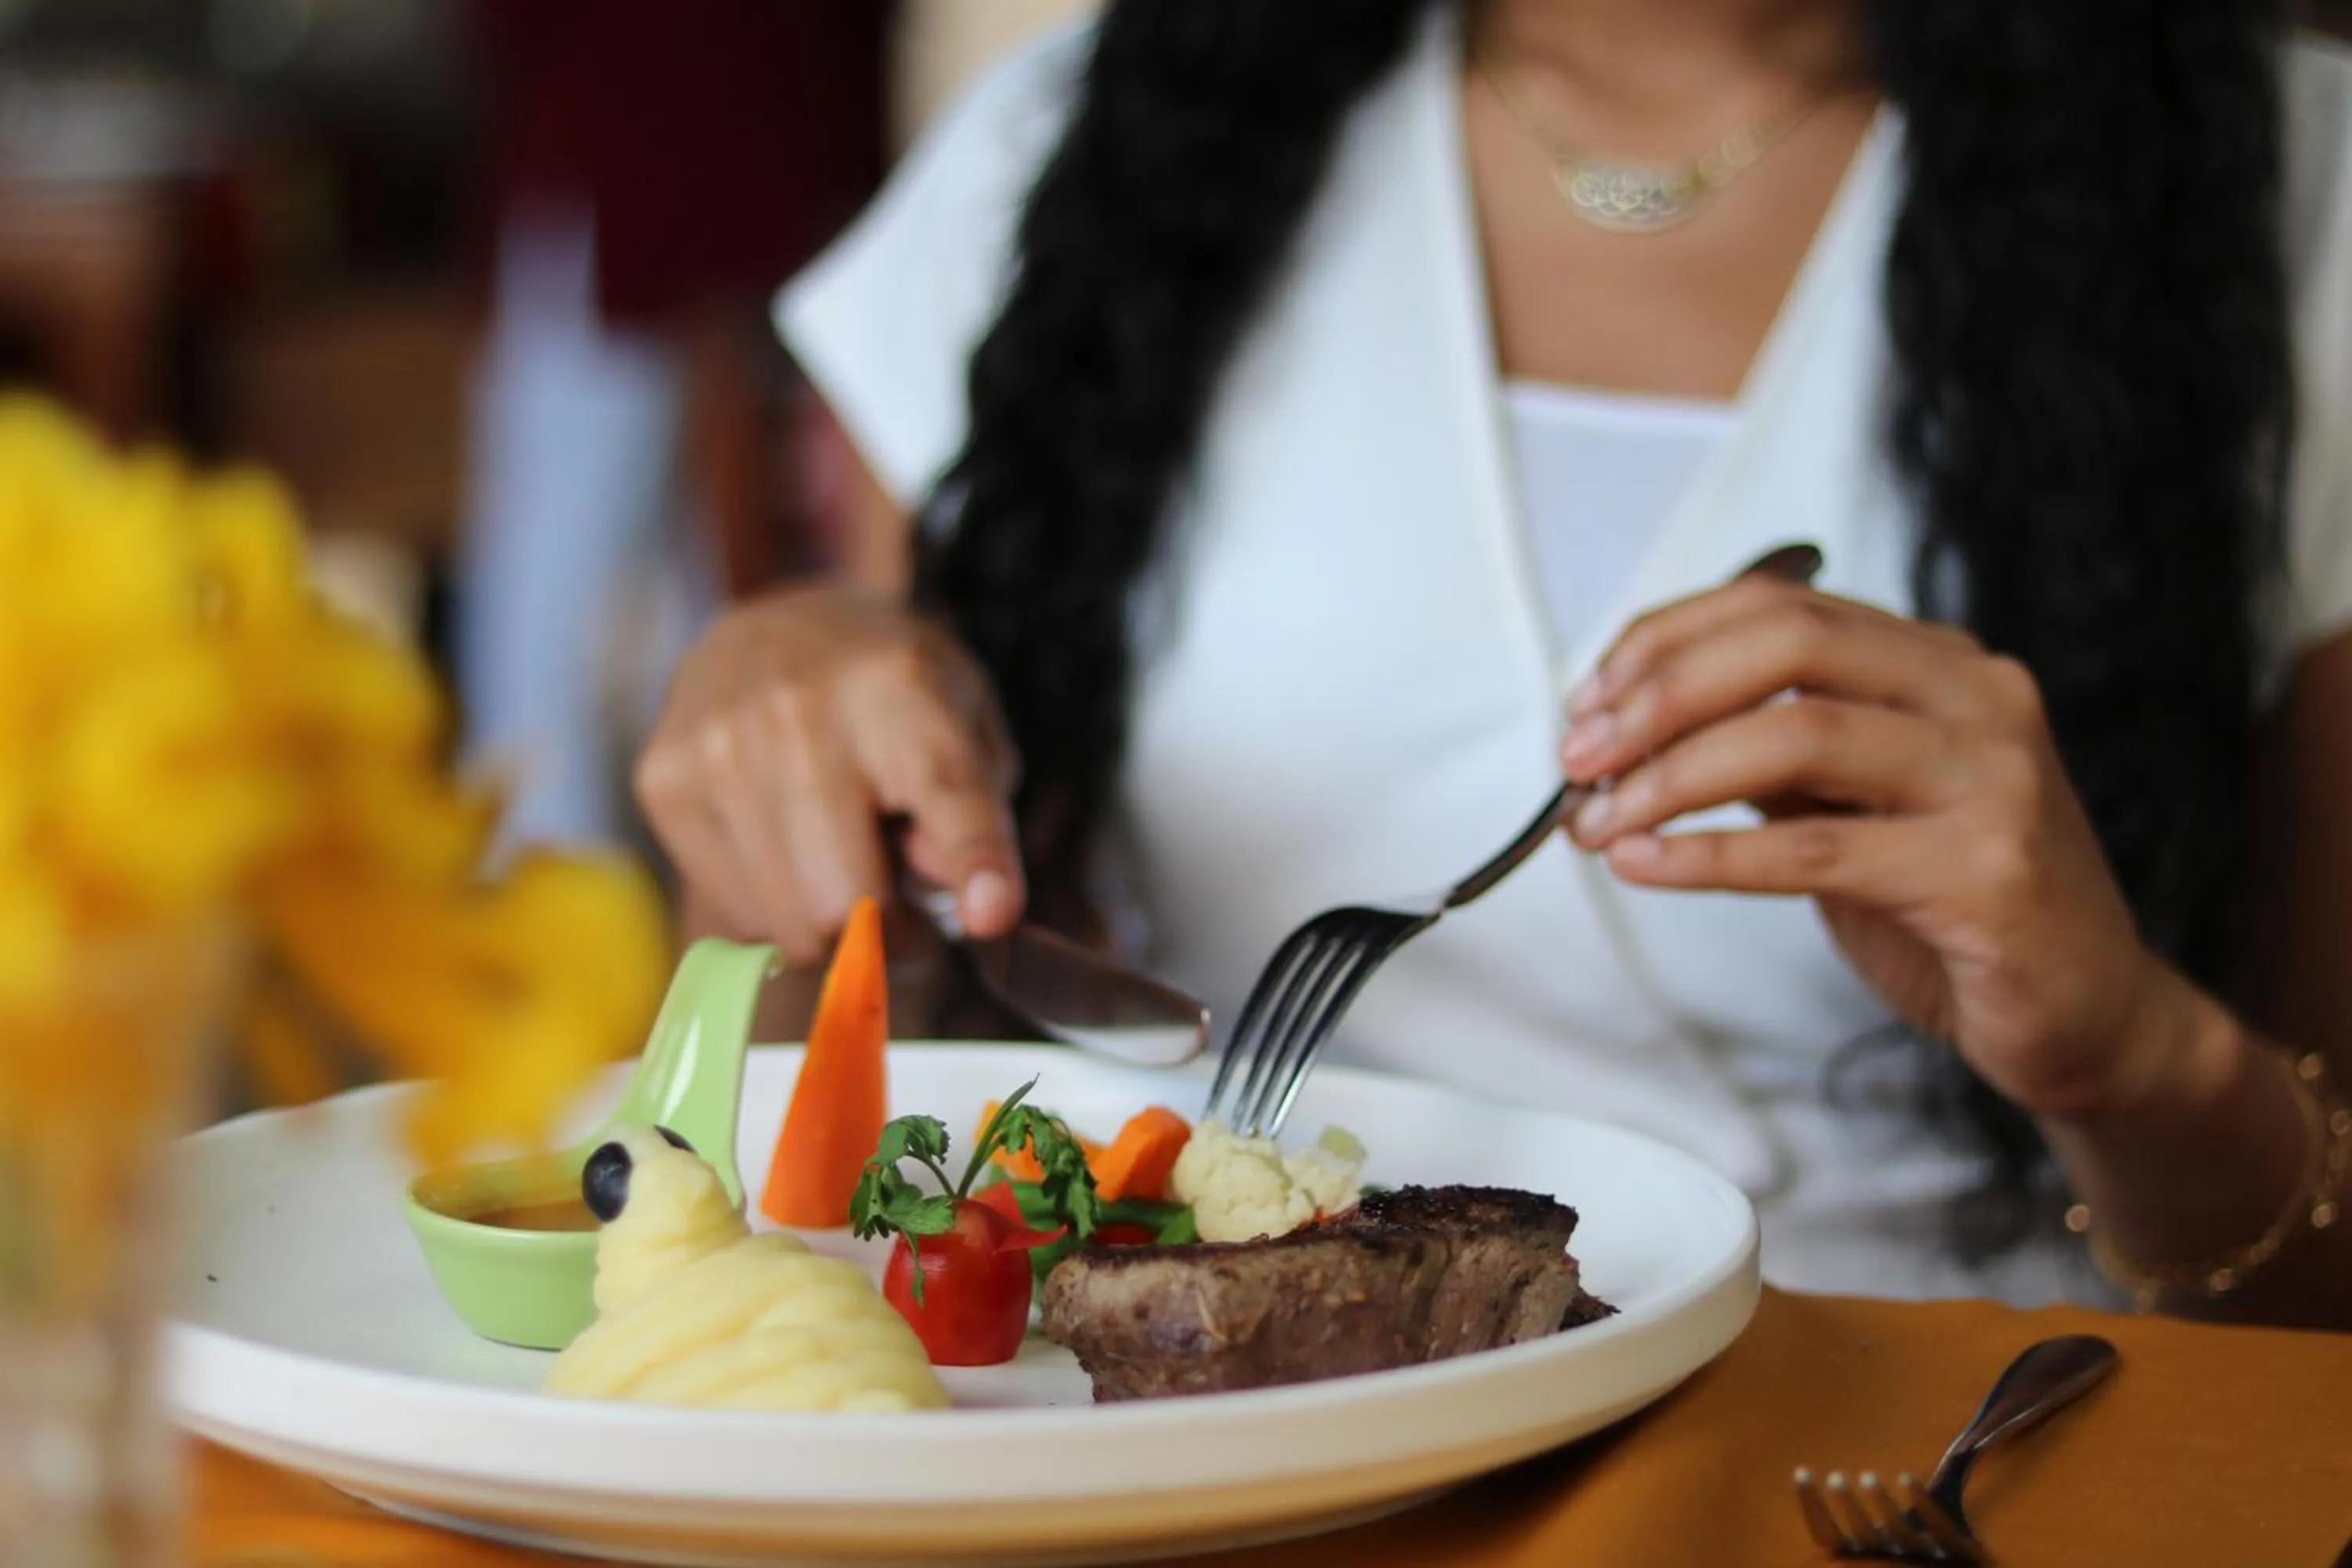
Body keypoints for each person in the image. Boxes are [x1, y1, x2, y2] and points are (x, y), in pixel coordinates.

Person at [635, 0, 2352, 1327]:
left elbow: (2319, 1292)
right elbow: (877, 1062)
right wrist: (773, 800)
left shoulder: (2297, 195)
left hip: (1930, 1446)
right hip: (1207, 1421)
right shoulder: (1069, 163)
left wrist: (2130, 1056)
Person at [457, 0, 888, 853]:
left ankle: (718, 896)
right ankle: (556, 911)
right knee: (568, 608)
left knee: (696, 594)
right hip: (648, 178)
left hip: (739, 185)